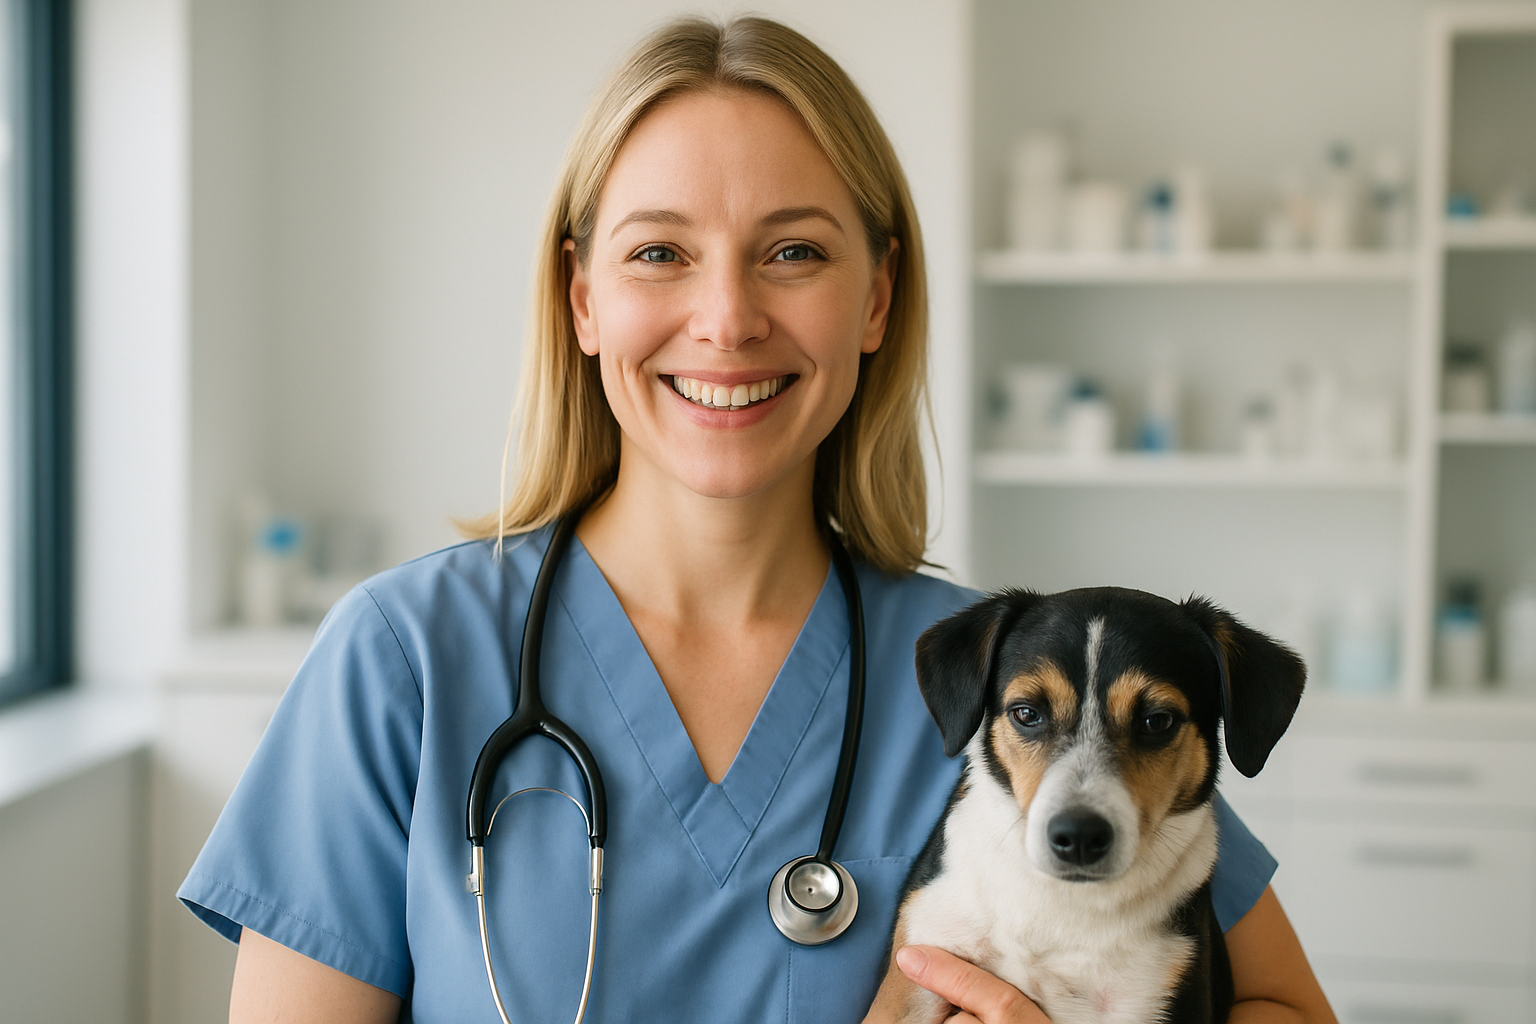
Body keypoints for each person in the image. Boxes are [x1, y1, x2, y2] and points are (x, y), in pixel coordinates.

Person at [179, 16, 1337, 1024]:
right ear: (585, 299)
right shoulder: (404, 661)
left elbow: (1280, 1003)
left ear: (875, 296)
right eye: (660, 253)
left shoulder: (1003, 679)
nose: (726, 319)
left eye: (793, 251)